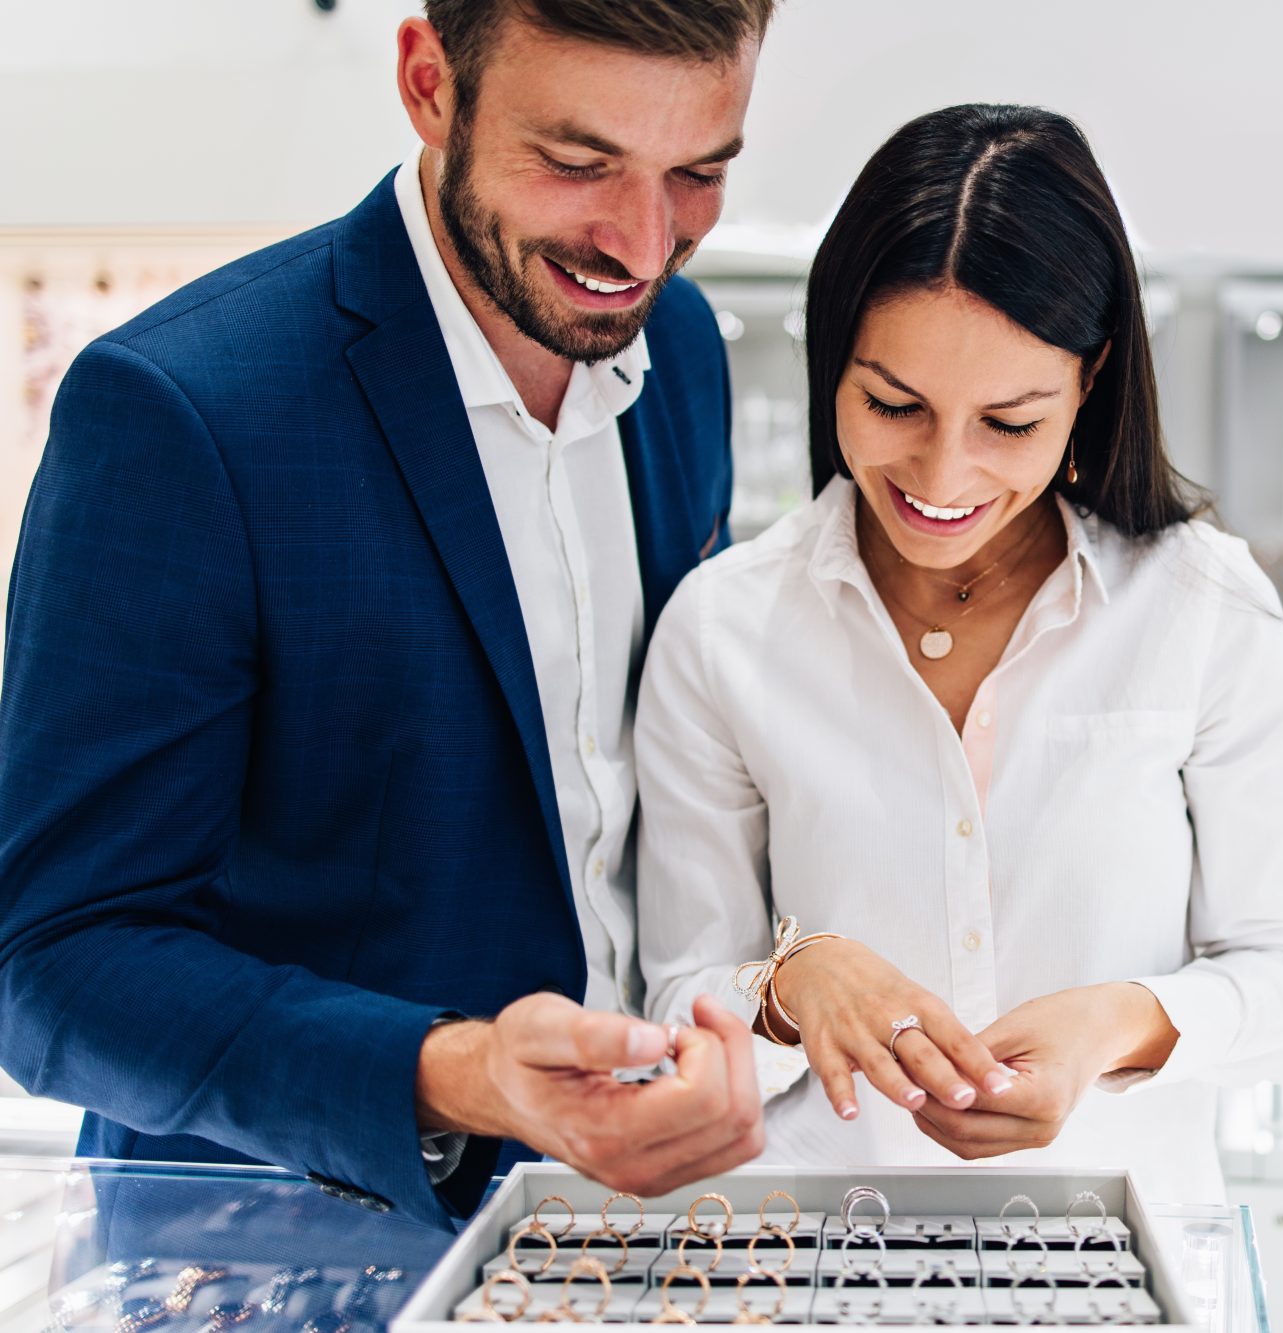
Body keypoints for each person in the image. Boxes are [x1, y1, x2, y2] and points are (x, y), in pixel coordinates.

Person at [0, 0, 777, 1229]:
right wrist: (457, 1074)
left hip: (609, 1238)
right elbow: (55, 968)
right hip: (273, 1255)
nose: (639, 243)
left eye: (696, 173)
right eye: (575, 163)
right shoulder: (180, 413)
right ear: (428, 83)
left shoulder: (675, 347)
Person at [634, 103, 1283, 1202]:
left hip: (1118, 1262)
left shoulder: (1200, 607)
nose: (942, 474)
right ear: (833, 361)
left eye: (1008, 422)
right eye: (892, 403)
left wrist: (1121, 1021)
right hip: (812, 1256)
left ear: (1090, 381)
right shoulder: (725, 627)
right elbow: (677, 991)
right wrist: (788, 986)